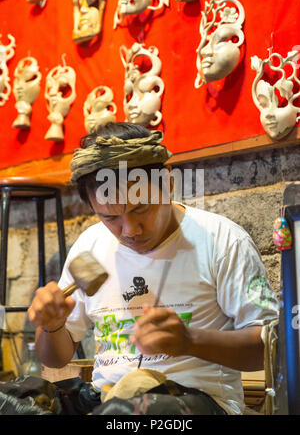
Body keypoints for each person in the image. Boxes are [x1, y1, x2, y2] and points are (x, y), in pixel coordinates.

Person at [28, 122, 279, 415]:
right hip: (105, 400)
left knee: (125, 415)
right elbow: (56, 359)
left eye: (141, 208)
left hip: (195, 402)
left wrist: (189, 341)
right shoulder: (89, 246)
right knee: (17, 401)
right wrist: (51, 325)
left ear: (167, 183)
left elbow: (268, 350)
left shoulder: (223, 241)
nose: (130, 230)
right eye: (110, 217)